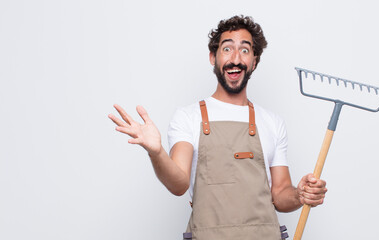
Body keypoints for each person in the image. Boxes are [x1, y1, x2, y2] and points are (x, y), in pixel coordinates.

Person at [108, 15, 327, 240]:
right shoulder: (188, 117)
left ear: (254, 60)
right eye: (227, 49)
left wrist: (301, 194)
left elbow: (280, 194)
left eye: (244, 50)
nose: (235, 58)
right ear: (213, 57)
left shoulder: (272, 122)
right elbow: (179, 184)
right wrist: (157, 152)